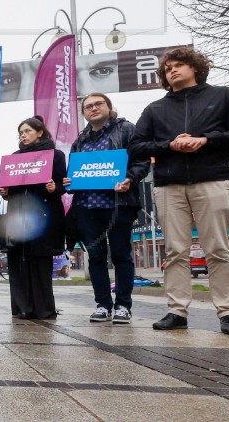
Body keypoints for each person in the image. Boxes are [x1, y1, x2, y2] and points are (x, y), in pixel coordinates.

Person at [129, 47, 229, 335]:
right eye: (168, 68)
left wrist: (206, 140)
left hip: (212, 179)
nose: (173, 71)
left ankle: (228, 312)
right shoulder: (155, 109)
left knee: (217, 248)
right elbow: (136, 146)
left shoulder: (223, 96)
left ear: (196, 68)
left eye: (179, 65)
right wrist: (170, 144)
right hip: (169, 184)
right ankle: (176, 311)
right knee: (175, 250)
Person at [64, 93, 149, 324]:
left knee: (121, 255)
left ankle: (123, 305)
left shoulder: (126, 130)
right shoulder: (80, 140)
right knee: (96, 257)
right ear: (84, 113)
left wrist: (130, 179)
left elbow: (141, 162)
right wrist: (69, 183)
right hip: (86, 206)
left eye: (98, 104)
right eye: (88, 106)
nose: (93, 108)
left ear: (109, 107)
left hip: (118, 205)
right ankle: (102, 304)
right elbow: (74, 173)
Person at [0, 116, 66, 320]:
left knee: (39, 262)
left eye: (27, 131)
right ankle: (23, 307)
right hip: (18, 215)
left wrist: (55, 188)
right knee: (18, 261)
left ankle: (43, 309)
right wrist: (5, 192)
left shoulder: (55, 155)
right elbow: (11, 189)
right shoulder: (15, 157)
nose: (23, 135)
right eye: (21, 132)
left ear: (40, 132)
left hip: (43, 215)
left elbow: (63, 185)